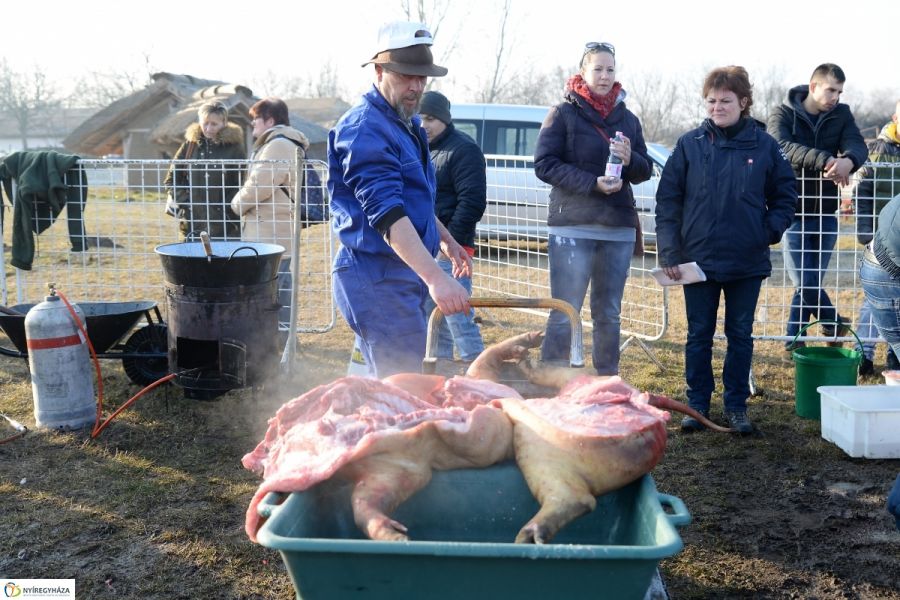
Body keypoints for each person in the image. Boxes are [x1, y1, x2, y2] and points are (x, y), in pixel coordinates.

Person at [655, 66, 797, 434]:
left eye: (726, 101)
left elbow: (785, 195)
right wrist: (670, 253)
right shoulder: (690, 144)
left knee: (740, 333)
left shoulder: (765, 146)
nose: (717, 107)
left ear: (744, 102)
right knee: (698, 333)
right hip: (697, 261)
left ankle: (736, 405)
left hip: (746, 261)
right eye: (712, 101)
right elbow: (668, 200)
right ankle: (697, 405)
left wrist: (767, 231)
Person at [328, 21, 471, 378]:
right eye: (407, 76)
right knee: (406, 388)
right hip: (375, 277)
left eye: (422, 78)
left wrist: (447, 240)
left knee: (382, 388)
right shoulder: (365, 128)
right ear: (379, 70)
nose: (416, 86)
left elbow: (412, 202)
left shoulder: (406, 124)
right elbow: (388, 214)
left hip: (398, 274)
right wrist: (436, 279)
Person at [533, 41, 652, 376]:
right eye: (597, 68)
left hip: (617, 228)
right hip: (572, 226)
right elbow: (544, 164)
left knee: (609, 312)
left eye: (610, 69)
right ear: (583, 72)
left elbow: (644, 171)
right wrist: (591, 183)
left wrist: (630, 160)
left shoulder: (628, 119)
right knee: (565, 309)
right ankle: (552, 378)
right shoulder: (562, 113)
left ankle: (606, 380)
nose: (604, 75)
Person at [767, 64, 868, 359]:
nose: (835, 96)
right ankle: (833, 325)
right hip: (791, 212)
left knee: (810, 281)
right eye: (831, 90)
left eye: (839, 91)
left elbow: (856, 144)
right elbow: (781, 145)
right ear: (813, 87)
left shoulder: (842, 114)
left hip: (826, 214)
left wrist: (849, 160)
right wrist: (826, 160)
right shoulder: (783, 113)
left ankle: (793, 340)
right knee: (806, 281)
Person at [418, 90, 486, 362]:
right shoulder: (424, 150)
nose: (424, 124)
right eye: (419, 118)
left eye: (431, 118)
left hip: (452, 250)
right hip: (427, 248)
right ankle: (441, 371)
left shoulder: (463, 149)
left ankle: (479, 367)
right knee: (434, 318)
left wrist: (450, 244)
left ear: (444, 119)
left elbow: (472, 202)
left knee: (458, 316)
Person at [231, 97, 310, 326]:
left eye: (256, 118)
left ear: (270, 119)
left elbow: (260, 185)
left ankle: (278, 340)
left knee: (275, 289)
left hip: (271, 230)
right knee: (278, 286)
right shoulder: (282, 143)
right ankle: (279, 338)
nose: (252, 123)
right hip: (274, 228)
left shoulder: (278, 145)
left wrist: (236, 204)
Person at [852, 101, 900, 375]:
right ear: (895, 118)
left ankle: (895, 354)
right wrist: (865, 231)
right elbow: (863, 193)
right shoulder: (877, 151)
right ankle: (864, 352)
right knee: (875, 299)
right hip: (879, 239)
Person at [164, 100, 245, 241]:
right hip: (192, 223)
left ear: (224, 122)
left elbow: (240, 184)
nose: (208, 128)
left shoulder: (234, 148)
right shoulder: (189, 145)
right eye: (205, 123)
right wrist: (188, 203)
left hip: (227, 225)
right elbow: (171, 180)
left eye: (214, 124)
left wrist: (225, 209)